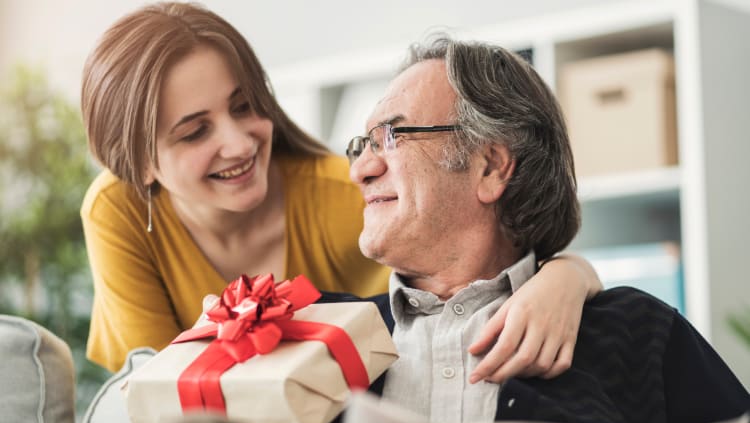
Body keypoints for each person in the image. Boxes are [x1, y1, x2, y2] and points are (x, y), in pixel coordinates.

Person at [109, 35, 750, 423]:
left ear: (491, 167)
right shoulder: (312, 331)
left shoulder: (635, 331)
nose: (359, 168)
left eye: (394, 135)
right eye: (362, 145)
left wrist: (569, 272)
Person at [79, 2, 602, 377]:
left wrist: (567, 275)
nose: (238, 143)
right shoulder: (117, 210)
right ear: (141, 163)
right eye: (195, 131)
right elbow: (149, 390)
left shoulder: (347, 193)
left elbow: (488, 252)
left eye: (243, 106)